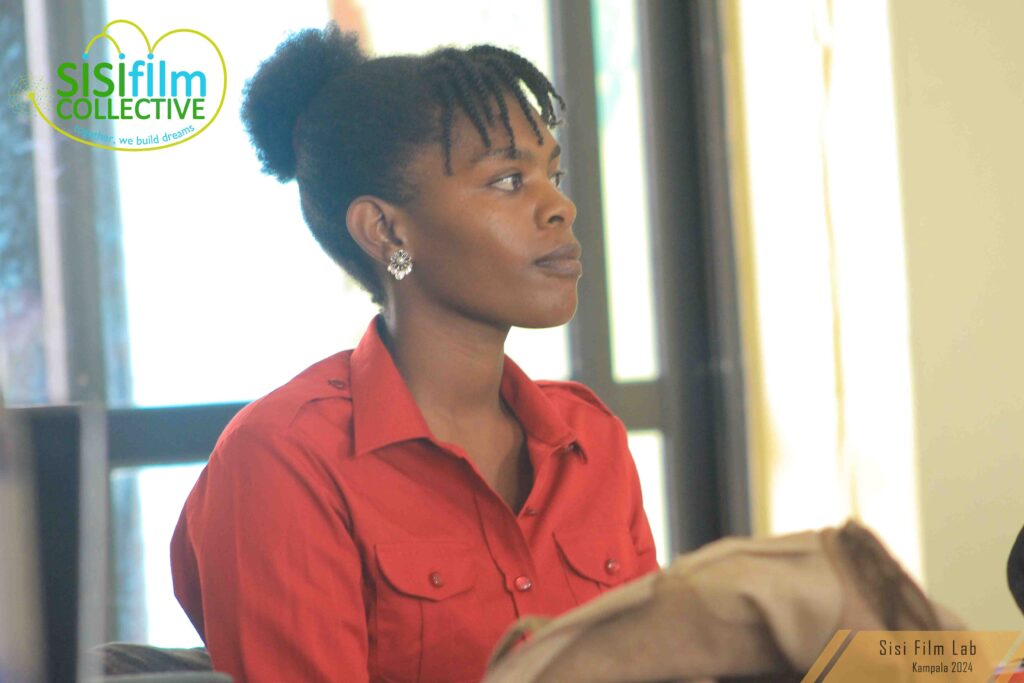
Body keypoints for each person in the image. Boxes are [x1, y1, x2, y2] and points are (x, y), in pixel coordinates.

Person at [170, 23, 659, 683]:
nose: (560, 208)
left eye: (554, 172)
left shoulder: (590, 439)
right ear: (386, 228)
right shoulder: (284, 458)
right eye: (509, 181)